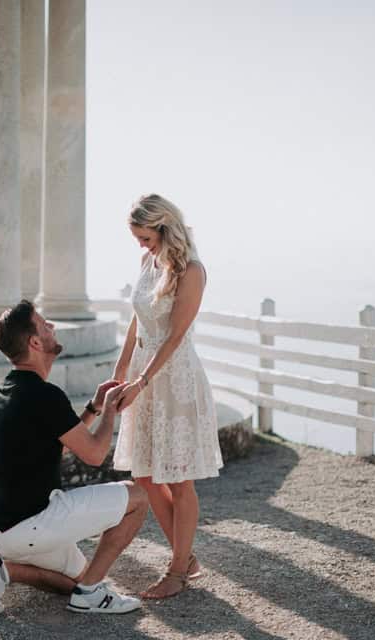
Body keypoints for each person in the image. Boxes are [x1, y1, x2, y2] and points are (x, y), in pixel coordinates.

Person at [0, 300, 149, 615]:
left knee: (75, 581)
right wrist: (109, 411)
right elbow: (94, 455)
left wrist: (93, 408)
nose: (51, 326)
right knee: (138, 497)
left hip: (2, 531)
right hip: (33, 524)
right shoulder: (45, 395)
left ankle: (4, 570)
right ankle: (91, 594)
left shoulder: (5, 389)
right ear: (35, 342)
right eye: (43, 324)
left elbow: (59, 444)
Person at [111, 194, 224, 599]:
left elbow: (175, 335)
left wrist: (141, 380)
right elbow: (136, 322)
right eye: (138, 239)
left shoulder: (191, 270)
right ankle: (186, 556)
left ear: (163, 228)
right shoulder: (148, 262)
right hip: (143, 375)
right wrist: (120, 371)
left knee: (178, 478)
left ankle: (177, 571)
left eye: (144, 237)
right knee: (143, 472)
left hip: (174, 380)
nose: (141, 245)